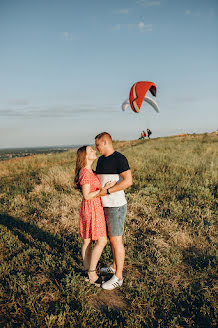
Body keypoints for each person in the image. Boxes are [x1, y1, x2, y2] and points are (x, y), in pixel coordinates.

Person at [95, 132, 133, 290]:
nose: (96, 148)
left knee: (116, 240)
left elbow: (128, 181)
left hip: (115, 205)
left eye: (98, 145)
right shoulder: (100, 160)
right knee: (112, 239)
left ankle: (118, 277)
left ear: (105, 142)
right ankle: (114, 266)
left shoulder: (119, 158)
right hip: (104, 205)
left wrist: (109, 191)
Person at [74, 145, 115, 286]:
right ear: (84, 156)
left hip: (92, 207)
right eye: (90, 150)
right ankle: (92, 273)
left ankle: (87, 270)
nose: (94, 151)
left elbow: (94, 189)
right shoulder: (85, 173)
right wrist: (101, 192)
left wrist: (104, 187)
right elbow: (86, 195)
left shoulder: (90, 171)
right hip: (91, 208)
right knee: (101, 241)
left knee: (88, 241)